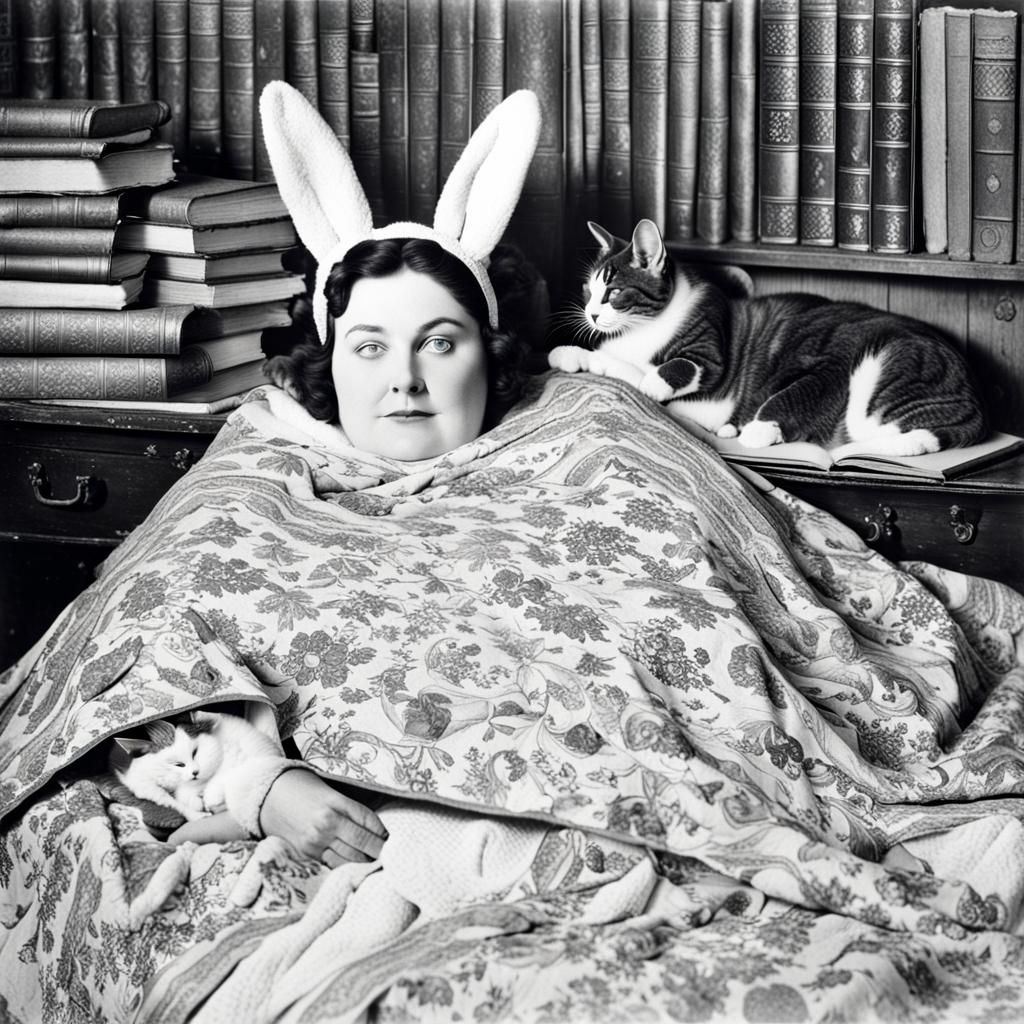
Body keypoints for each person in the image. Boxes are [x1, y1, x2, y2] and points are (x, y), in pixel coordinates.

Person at [165, 81, 545, 866]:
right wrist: (262, 786)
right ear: (330, 365)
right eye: (370, 347)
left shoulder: (587, 449)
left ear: (492, 352)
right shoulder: (257, 469)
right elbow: (149, 644)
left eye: (439, 343)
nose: (405, 378)